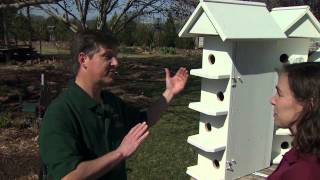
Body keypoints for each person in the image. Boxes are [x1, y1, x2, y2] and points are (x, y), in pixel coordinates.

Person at [39, 30, 189, 180]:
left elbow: (145, 120)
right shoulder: (60, 113)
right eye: (107, 56)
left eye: (115, 57)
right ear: (83, 60)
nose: (116, 63)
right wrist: (120, 153)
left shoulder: (110, 102)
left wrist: (170, 92)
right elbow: (68, 176)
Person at [268, 62, 320, 180]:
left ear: (309, 104)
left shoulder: (304, 172)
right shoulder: (303, 150)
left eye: (280, 94)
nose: (272, 100)